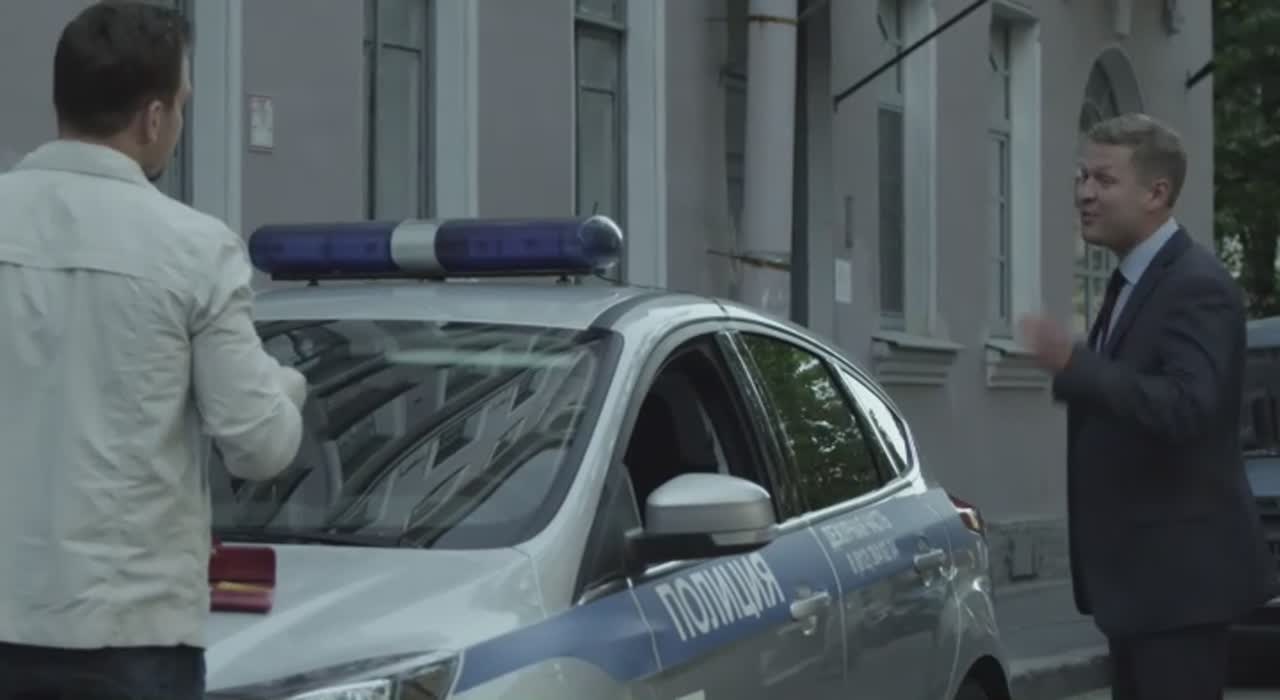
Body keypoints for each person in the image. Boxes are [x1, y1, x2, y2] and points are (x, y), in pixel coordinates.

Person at [0, 3, 308, 698]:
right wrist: (285, 387)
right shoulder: (196, 250)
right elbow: (259, 447)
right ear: (154, 118)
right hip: (128, 640)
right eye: (184, 105)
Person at [1020, 113, 1275, 700]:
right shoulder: (1135, 282)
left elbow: (1189, 406)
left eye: (1104, 180)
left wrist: (1077, 366)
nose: (1084, 193)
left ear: (1156, 193)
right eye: (1082, 176)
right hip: (1142, 588)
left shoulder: (1195, 284)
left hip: (1178, 588)